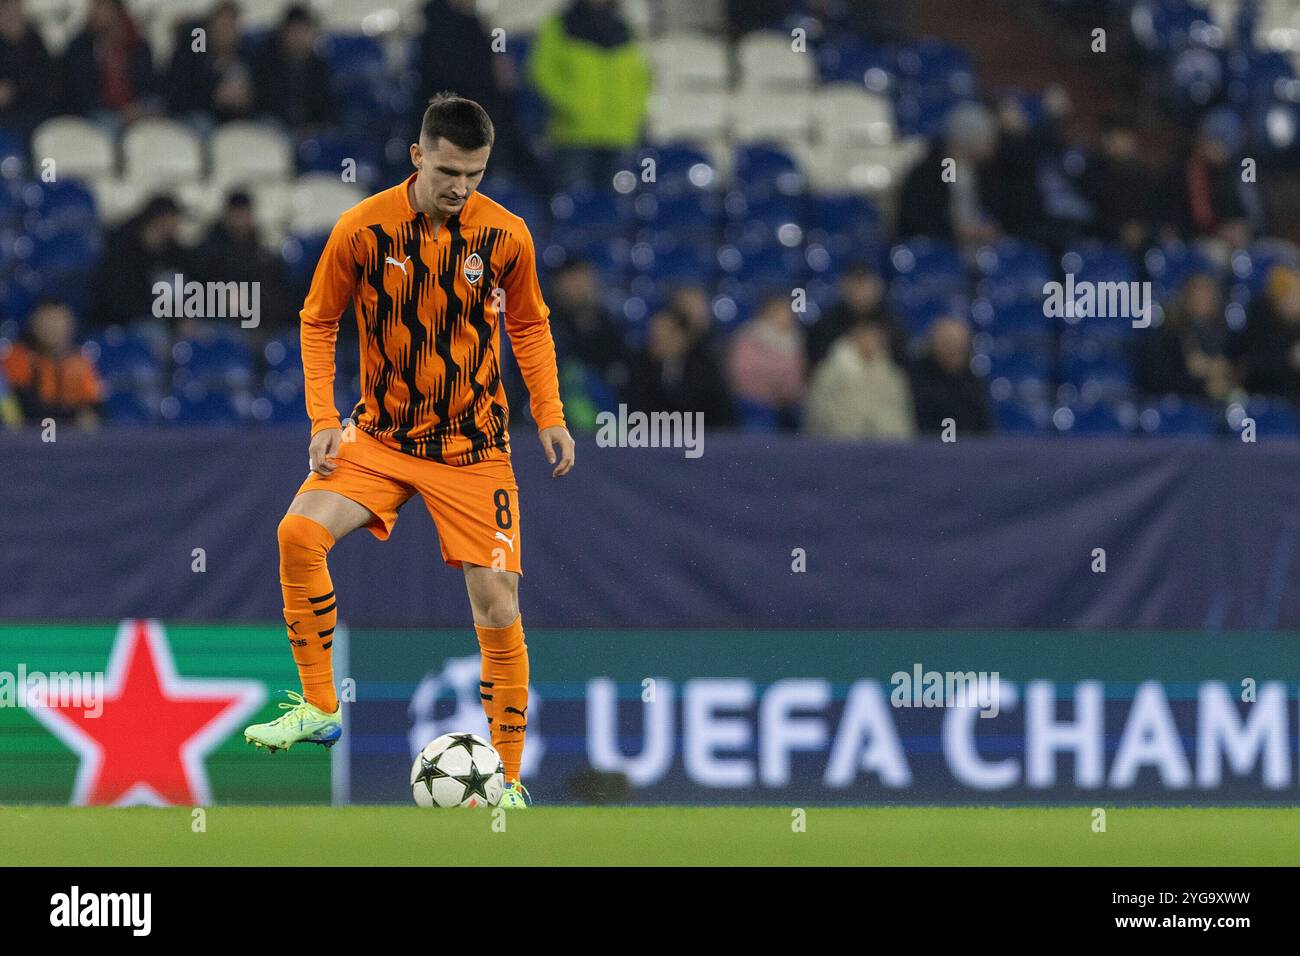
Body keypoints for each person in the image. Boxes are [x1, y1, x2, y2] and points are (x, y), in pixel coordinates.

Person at [242, 94, 574, 813]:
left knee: (496, 603)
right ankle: (322, 709)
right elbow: (317, 320)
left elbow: (532, 326)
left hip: (475, 448)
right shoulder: (362, 230)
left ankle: (509, 782)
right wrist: (323, 418)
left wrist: (549, 413)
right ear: (419, 156)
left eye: (476, 174)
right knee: (298, 533)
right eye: (450, 170)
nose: (461, 187)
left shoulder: (508, 236)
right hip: (382, 438)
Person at [528, 0, 651, 187]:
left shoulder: (624, 28)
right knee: (574, 202)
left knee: (617, 206)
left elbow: (640, 76)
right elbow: (542, 72)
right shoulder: (559, 25)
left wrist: (632, 111)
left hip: (620, 135)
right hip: (575, 135)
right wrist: (573, 105)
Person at [805, 317, 915, 439]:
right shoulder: (831, 371)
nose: (872, 342)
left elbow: (902, 415)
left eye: (876, 338)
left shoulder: (893, 375)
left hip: (884, 445)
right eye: (867, 336)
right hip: (840, 442)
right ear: (855, 337)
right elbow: (819, 411)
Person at [2, 298, 102, 428]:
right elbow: (23, 408)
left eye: (58, 320)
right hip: (28, 439)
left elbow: (95, 408)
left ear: (70, 324)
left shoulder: (80, 362)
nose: (53, 327)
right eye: (47, 320)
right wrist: (74, 416)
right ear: (34, 323)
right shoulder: (17, 357)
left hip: (69, 441)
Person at [1135, 272, 1234, 400]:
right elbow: (1157, 381)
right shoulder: (1166, 335)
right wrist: (1202, 386)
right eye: (1197, 293)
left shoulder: (1227, 336)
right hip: (1175, 408)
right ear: (1185, 296)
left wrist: (1226, 371)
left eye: (1208, 293)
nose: (1202, 299)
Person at [62, 0, 156, 124]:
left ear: (115, 11)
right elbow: (82, 93)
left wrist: (137, 108)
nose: (93, 13)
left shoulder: (138, 45)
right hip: (99, 112)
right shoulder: (80, 47)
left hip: (136, 109)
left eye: (100, 8)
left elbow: (148, 83)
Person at [165, 1, 255, 128]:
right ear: (210, 27)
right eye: (222, 26)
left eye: (231, 27)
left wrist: (245, 100)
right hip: (193, 116)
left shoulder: (242, 59)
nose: (226, 33)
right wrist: (214, 95)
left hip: (231, 121)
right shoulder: (193, 52)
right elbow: (178, 95)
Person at [251, 4, 338, 135]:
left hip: (310, 132)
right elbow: (263, 104)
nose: (299, 37)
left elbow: (329, 106)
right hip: (276, 129)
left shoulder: (320, 67)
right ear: (284, 33)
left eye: (304, 31)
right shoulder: (266, 64)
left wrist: (314, 126)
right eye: (294, 31)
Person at [726, 293, 806, 429]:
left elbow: (797, 376)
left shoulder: (794, 340)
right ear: (768, 313)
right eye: (782, 312)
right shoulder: (749, 337)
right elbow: (743, 373)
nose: (787, 317)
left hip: (788, 405)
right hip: (754, 404)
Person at [908, 316, 994, 434]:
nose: (954, 350)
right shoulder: (916, 380)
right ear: (934, 344)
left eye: (959, 345)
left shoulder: (973, 383)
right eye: (948, 343)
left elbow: (985, 429)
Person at [1231, 264, 1300, 402]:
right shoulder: (1260, 324)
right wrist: (1289, 360)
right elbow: (1248, 370)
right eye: (1289, 295)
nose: (1295, 302)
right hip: (1264, 401)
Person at [0, 0, 58, 134]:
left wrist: (13, 88)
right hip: (6, 119)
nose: (11, 13)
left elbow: (47, 79)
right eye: (6, 9)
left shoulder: (35, 42)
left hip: (35, 116)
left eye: (15, 8)